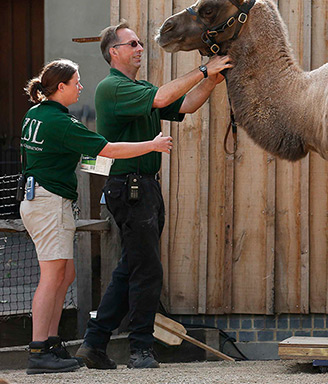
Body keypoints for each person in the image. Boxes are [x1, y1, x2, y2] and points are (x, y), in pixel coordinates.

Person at [75, 21, 232, 369]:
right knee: (148, 270)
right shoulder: (112, 88)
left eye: (140, 44)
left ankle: (94, 342)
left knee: (130, 267)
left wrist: (211, 80)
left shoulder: (138, 88)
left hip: (143, 187)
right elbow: (164, 97)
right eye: (131, 44)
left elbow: (186, 105)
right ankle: (140, 348)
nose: (139, 49)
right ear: (114, 52)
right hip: (130, 188)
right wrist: (204, 68)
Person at [19, 59, 174, 375]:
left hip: (39, 199)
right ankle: (38, 351)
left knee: (66, 274)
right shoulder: (61, 123)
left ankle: (51, 343)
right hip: (49, 202)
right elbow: (109, 150)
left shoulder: (34, 115)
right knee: (52, 277)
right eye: (76, 81)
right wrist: (154, 144)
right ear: (60, 87)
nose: (80, 87)